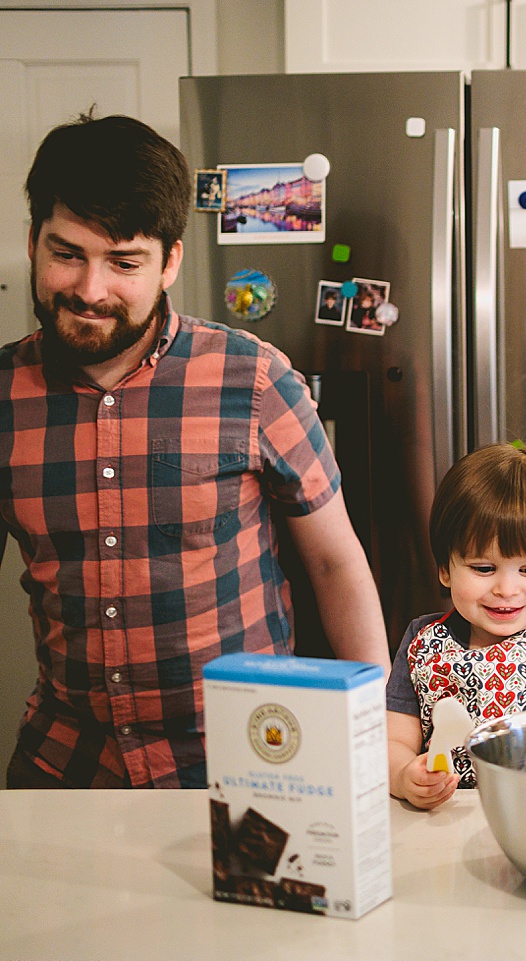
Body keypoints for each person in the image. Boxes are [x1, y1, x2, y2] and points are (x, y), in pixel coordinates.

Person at [2, 113, 389, 789]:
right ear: (32, 242)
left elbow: (333, 562)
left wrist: (381, 732)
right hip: (67, 763)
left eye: (124, 262)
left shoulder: (255, 378)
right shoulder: (5, 394)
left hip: (249, 760)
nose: (90, 289)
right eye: (67, 254)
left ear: (169, 260)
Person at [385, 442, 526, 810]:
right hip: (444, 827)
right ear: (445, 569)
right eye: (483, 568)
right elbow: (393, 742)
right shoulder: (422, 644)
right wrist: (403, 775)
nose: (505, 590)